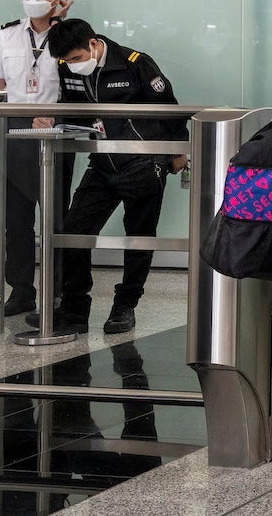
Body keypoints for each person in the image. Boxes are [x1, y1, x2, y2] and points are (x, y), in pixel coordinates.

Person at [37, 19, 187, 336]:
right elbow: (73, 107)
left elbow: (170, 107)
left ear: (92, 44)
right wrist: (52, 116)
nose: (73, 66)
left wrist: (178, 150)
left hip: (144, 162)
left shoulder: (135, 63)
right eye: (66, 61)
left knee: (138, 237)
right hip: (103, 163)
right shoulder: (68, 67)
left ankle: (125, 305)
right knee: (74, 231)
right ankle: (74, 310)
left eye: (76, 58)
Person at [0, 0, 74, 317]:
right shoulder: (7, 35)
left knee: (56, 216)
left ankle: (60, 287)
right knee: (15, 219)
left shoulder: (69, 35)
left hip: (55, 129)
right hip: (14, 129)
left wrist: (62, 23)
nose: (35, 1)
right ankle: (20, 289)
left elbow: (80, 76)